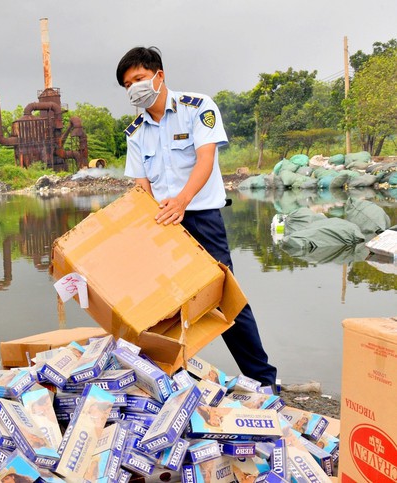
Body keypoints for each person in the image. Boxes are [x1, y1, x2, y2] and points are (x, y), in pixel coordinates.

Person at [116, 46, 277, 390]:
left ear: (159, 75)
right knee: (165, 304)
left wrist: (182, 201)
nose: (135, 88)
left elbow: (206, 160)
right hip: (162, 224)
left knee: (225, 297)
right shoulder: (135, 132)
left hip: (201, 216)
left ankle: (263, 380)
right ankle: (173, 378)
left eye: (139, 79)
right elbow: (141, 185)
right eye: (128, 84)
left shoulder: (197, 107)